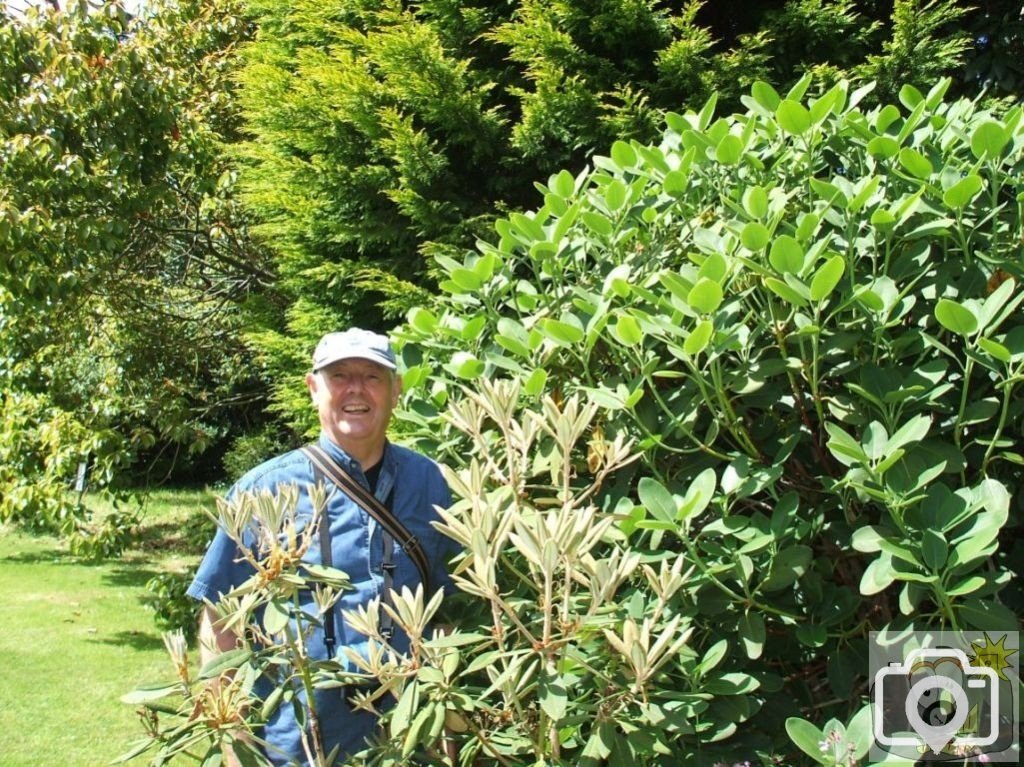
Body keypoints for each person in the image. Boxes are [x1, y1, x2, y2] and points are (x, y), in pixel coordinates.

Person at [187, 328, 456, 766]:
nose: (356, 389)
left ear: (396, 390)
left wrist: (449, 732)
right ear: (314, 389)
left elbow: (448, 612)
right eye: (339, 376)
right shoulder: (262, 492)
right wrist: (233, 743)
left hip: (406, 739)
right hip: (295, 745)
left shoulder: (432, 486)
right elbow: (220, 617)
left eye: (372, 376)